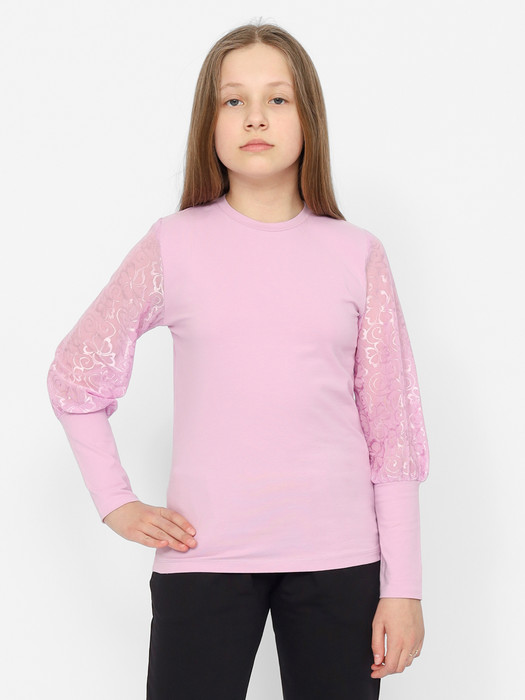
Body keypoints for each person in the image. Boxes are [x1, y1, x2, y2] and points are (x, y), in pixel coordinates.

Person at [47, 20, 429, 700]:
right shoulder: (173, 244)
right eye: (233, 100)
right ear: (210, 121)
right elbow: (75, 378)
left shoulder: (357, 253)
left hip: (339, 559)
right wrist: (115, 502)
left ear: (308, 118)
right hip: (204, 557)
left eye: (277, 99)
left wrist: (403, 588)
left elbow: (391, 431)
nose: (256, 116)